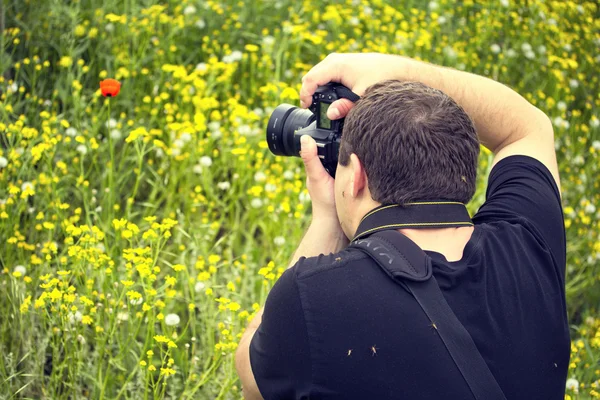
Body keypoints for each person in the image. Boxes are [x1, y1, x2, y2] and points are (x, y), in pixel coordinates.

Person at [235, 53, 569, 399]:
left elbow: (252, 378)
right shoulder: (529, 244)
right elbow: (527, 127)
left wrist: (327, 219)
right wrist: (404, 71)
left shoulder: (314, 295)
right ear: (464, 166)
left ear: (358, 175)